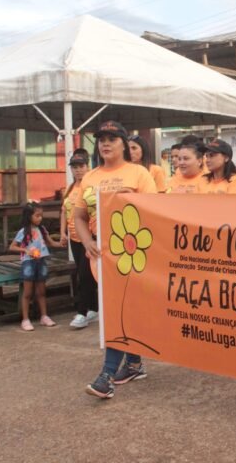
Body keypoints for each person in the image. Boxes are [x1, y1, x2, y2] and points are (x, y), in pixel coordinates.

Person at [75, 121, 158, 399]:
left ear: (124, 143)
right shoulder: (90, 177)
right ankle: (133, 363)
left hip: (133, 253)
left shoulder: (139, 173)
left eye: (112, 138)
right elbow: (79, 215)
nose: (105, 143)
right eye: (101, 139)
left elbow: (154, 212)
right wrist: (87, 241)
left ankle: (106, 377)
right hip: (102, 256)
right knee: (122, 311)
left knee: (116, 312)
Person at [10, 202, 65, 332]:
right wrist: (26, 250)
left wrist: (61, 243)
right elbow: (12, 246)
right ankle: (25, 319)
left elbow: (51, 243)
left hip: (41, 261)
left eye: (41, 215)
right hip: (28, 262)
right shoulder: (23, 231)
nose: (40, 218)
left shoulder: (42, 229)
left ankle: (44, 316)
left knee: (41, 292)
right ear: (29, 216)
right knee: (27, 293)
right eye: (37, 215)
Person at [61, 150, 94, 329]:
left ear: (88, 166)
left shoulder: (91, 187)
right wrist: (62, 232)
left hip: (88, 237)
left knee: (85, 275)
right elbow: (64, 211)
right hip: (73, 237)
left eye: (81, 166)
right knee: (83, 274)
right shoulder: (70, 187)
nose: (78, 170)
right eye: (74, 167)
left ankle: (82, 312)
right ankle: (94, 308)